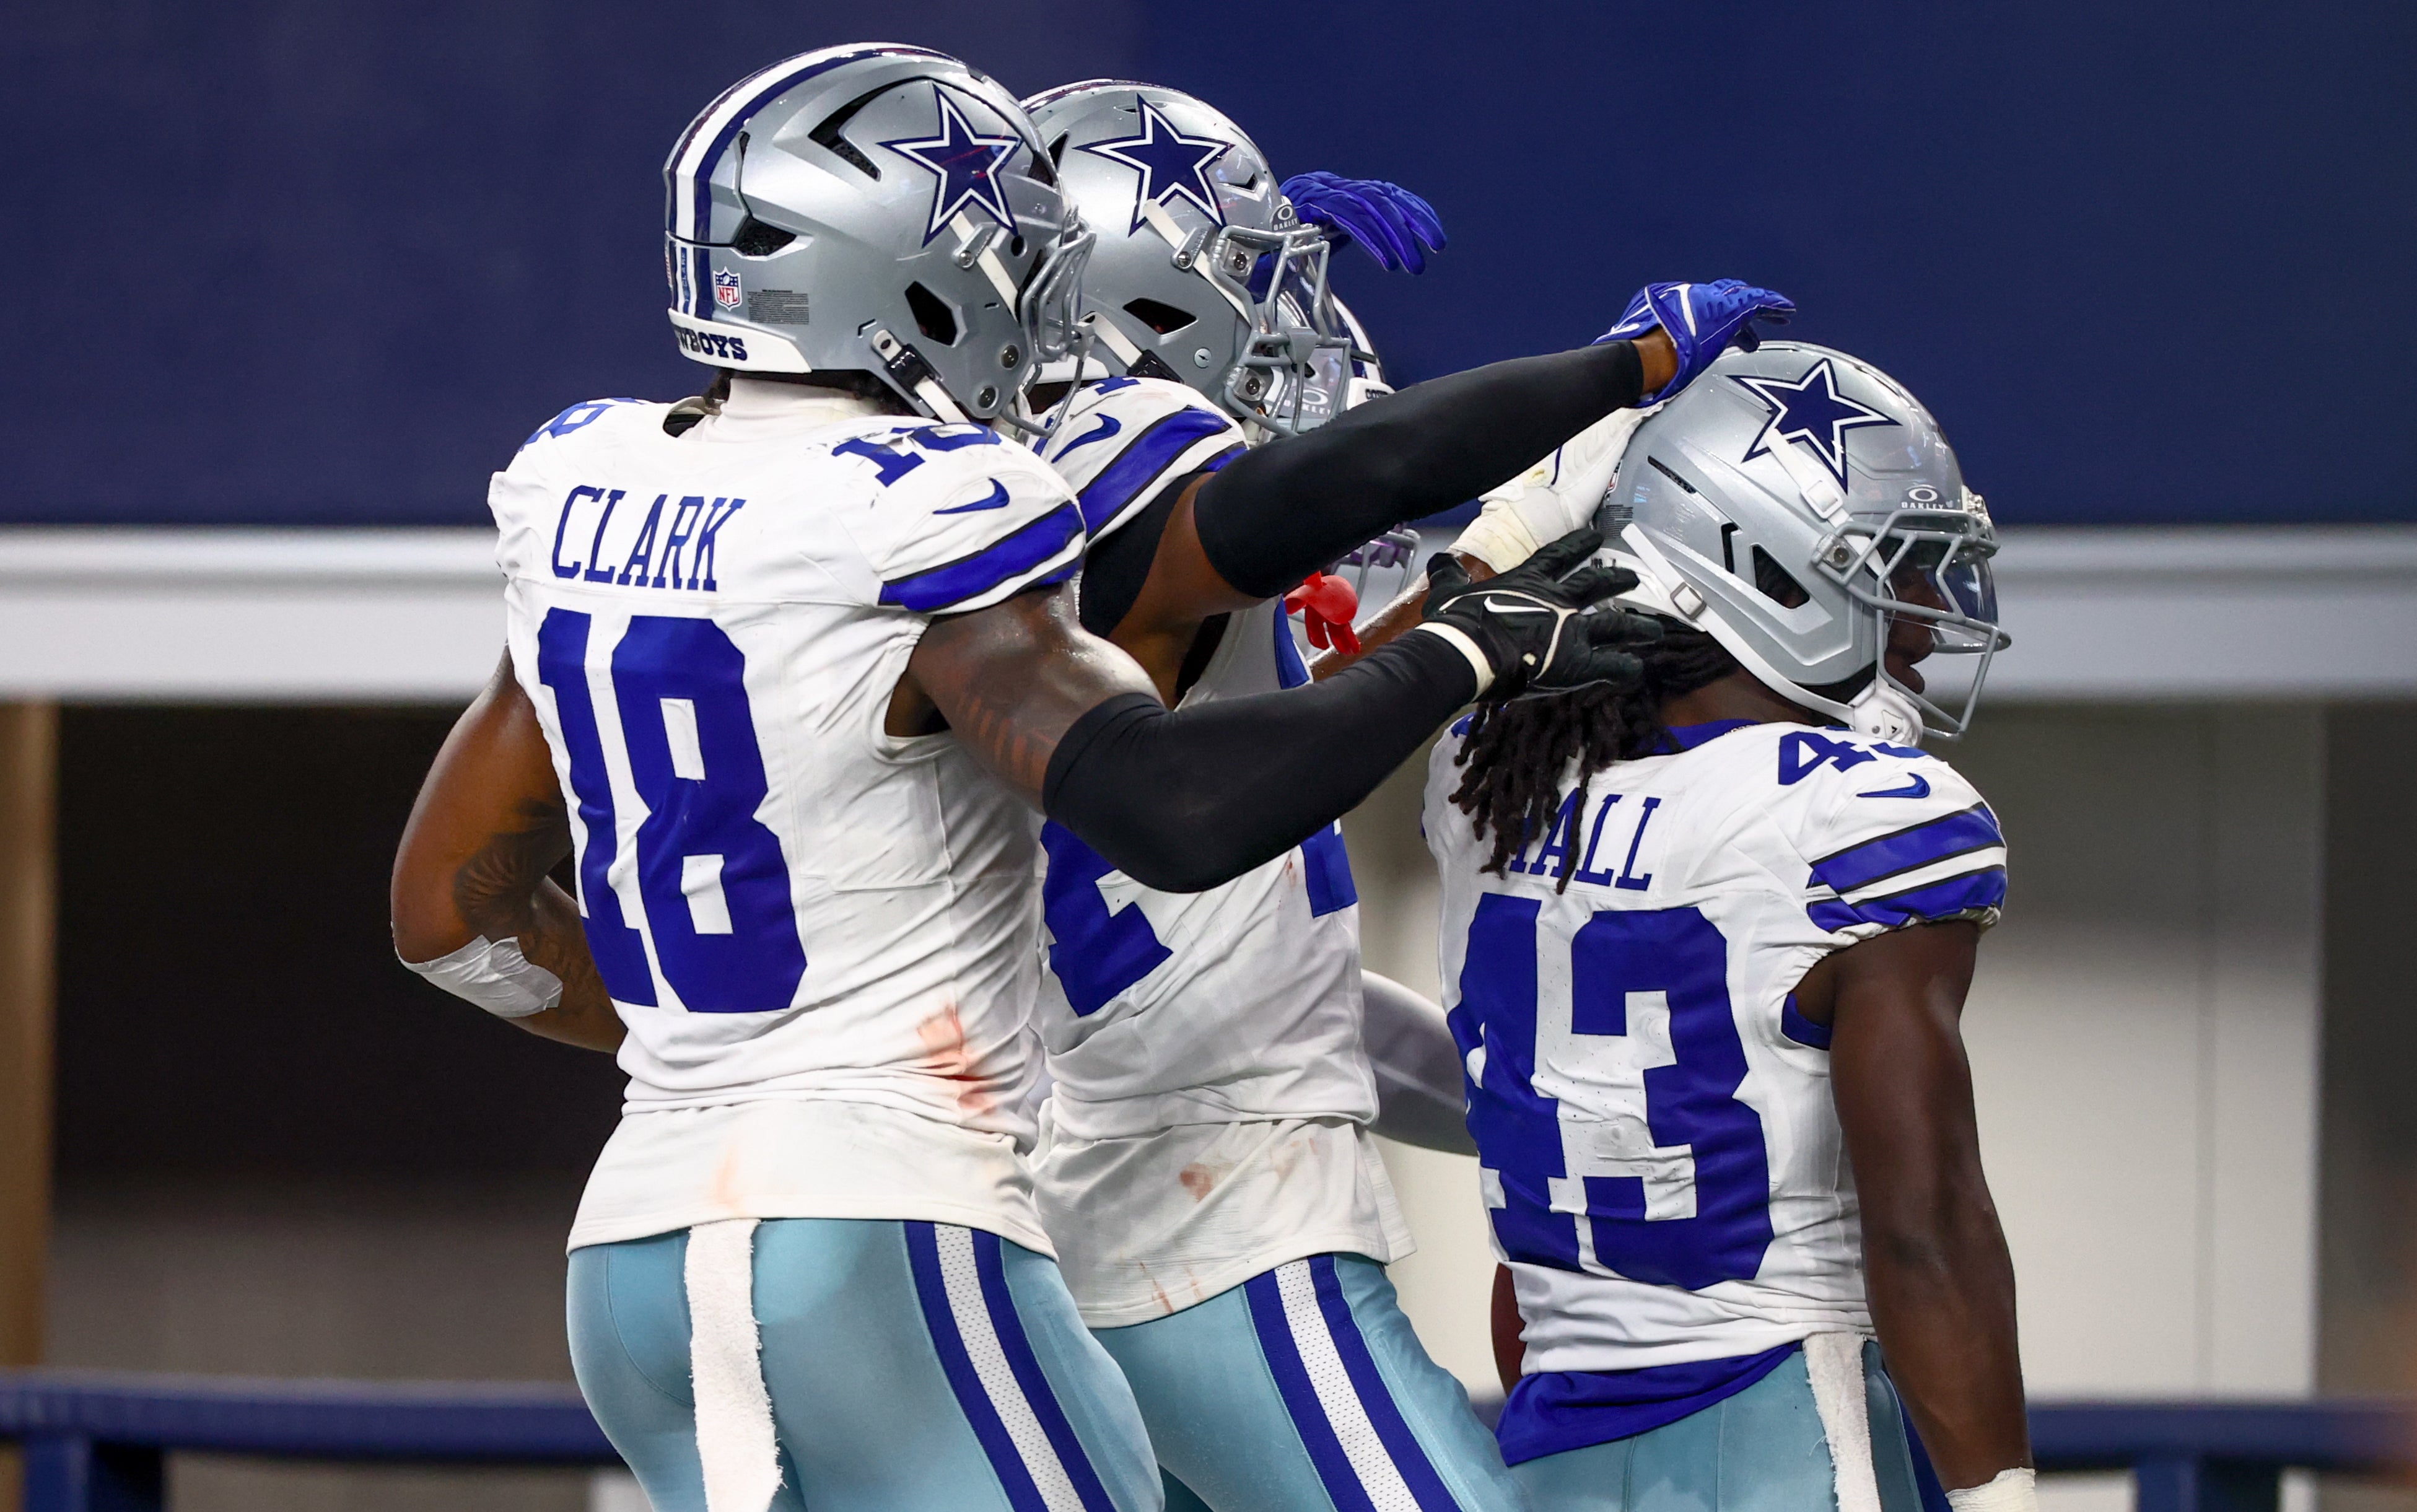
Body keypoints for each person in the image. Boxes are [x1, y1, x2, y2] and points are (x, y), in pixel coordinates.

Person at [387, 42, 1785, 1512]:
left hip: (637, 1248)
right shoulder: (949, 506)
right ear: (914, 277)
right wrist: (1490, 609)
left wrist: (722, 1047)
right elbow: (1188, 768)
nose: (1048, 309)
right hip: (915, 1224)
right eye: (1016, 259)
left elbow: (446, 914)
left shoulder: (597, 485)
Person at [1013, 79, 1522, 1512]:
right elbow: (1352, 479)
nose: (1288, 331)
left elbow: (1281, 1012)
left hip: (1120, 1189)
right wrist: (1614, 388)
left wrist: (1534, 1102)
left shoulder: (1000, 528)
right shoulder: (1103, 504)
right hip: (1202, 1226)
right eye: (1248, 280)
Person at [1417, 341, 2032, 1512]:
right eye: (1892, 570)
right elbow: (1929, 1223)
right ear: (1762, 562)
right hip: (1784, 1431)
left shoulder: (1485, 777)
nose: (1925, 617)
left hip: (1552, 1440)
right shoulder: (1855, 814)